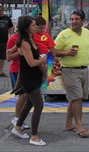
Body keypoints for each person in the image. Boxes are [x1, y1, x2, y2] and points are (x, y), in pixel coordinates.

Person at [54, 9, 89, 138]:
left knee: (75, 98)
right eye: (72, 19)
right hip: (69, 70)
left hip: (84, 69)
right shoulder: (63, 34)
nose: (73, 21)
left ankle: (68, 124)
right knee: (77, 98)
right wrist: (66, 53)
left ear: (83, 21)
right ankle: (79, 126)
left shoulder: (87, 32)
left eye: (76, 19)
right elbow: (54, 50)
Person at [11, 16, 47, 146]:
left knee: (30, 104)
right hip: (29, 77)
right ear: (26, 28)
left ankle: (18, 127)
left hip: (34, 76)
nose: (36, 27)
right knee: (39, 105)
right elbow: (31, 63)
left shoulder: (31, 39)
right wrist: (42, 60)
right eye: (33, 25)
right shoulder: (24, 42)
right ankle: (34, 136)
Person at [6, 31, 30, 130]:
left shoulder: (30, 38)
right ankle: (17, 118)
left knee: (27, 97)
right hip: (16, 70)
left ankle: (20, 119)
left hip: (27, 70)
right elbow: (8, 57)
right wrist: (22, 51)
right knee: (22, 95)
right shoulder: (13, 39)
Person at [33, 16, 58, 84]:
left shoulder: (46, 36)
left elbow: (51, 47)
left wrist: (55, 56)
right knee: (43, 70)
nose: (42, 30)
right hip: (36, 56)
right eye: (40, 28)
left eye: (43, 28)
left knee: (46, 69)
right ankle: (43, 77)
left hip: (45, 56)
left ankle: (43, 80)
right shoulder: (32, 35)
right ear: (35, 26)